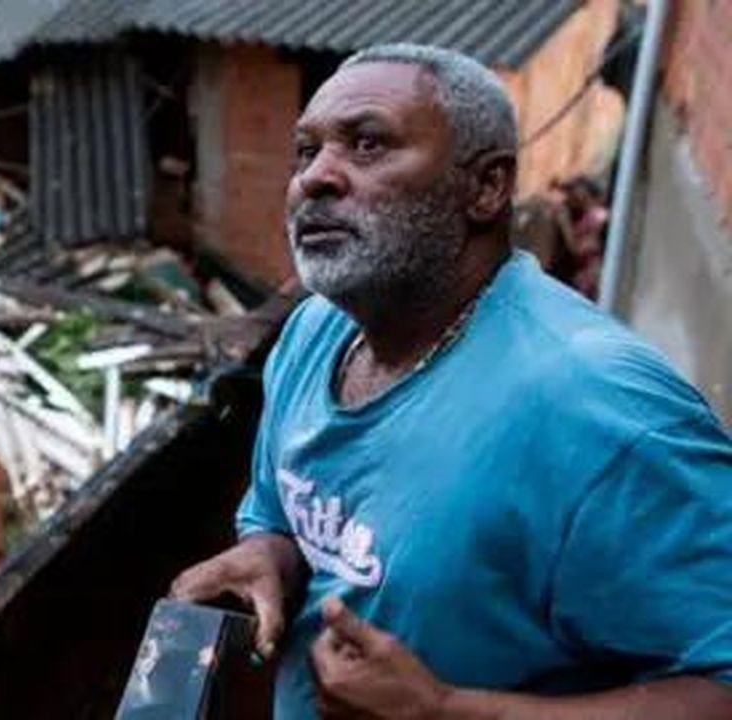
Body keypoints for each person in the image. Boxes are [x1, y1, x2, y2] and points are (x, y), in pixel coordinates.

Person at [170, 44, 732, 719]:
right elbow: (281, 513)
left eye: (368, 143)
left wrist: (446, 710)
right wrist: (271, 555)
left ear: (486, 188)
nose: (315, 177)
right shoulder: (315, 332)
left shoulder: (601, 414)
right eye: (305, 151)